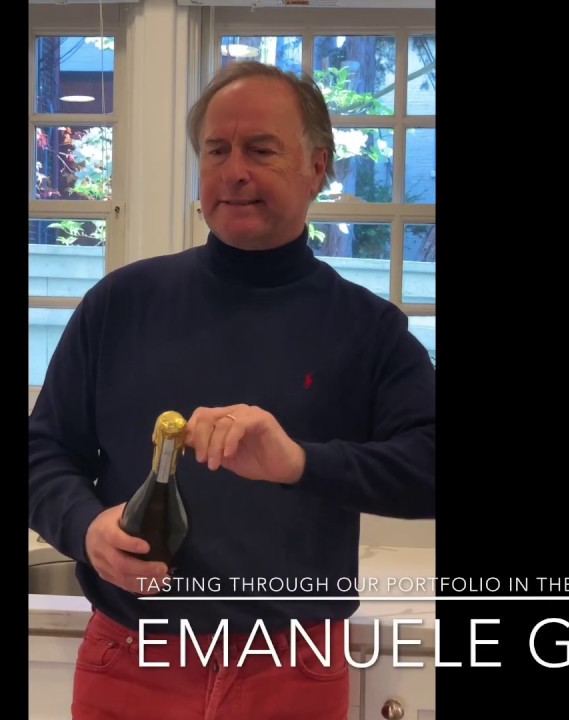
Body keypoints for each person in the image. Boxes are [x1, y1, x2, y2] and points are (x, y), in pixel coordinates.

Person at [28, 61, 436, 719]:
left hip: (293, 668)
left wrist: (300, 463)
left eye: (261, 150)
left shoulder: (367, 329)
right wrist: (85, 527)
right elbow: (42, 452)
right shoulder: (121, 304)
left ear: (318, 168)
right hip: (132, 660)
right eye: (216, 150)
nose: (234, 171)